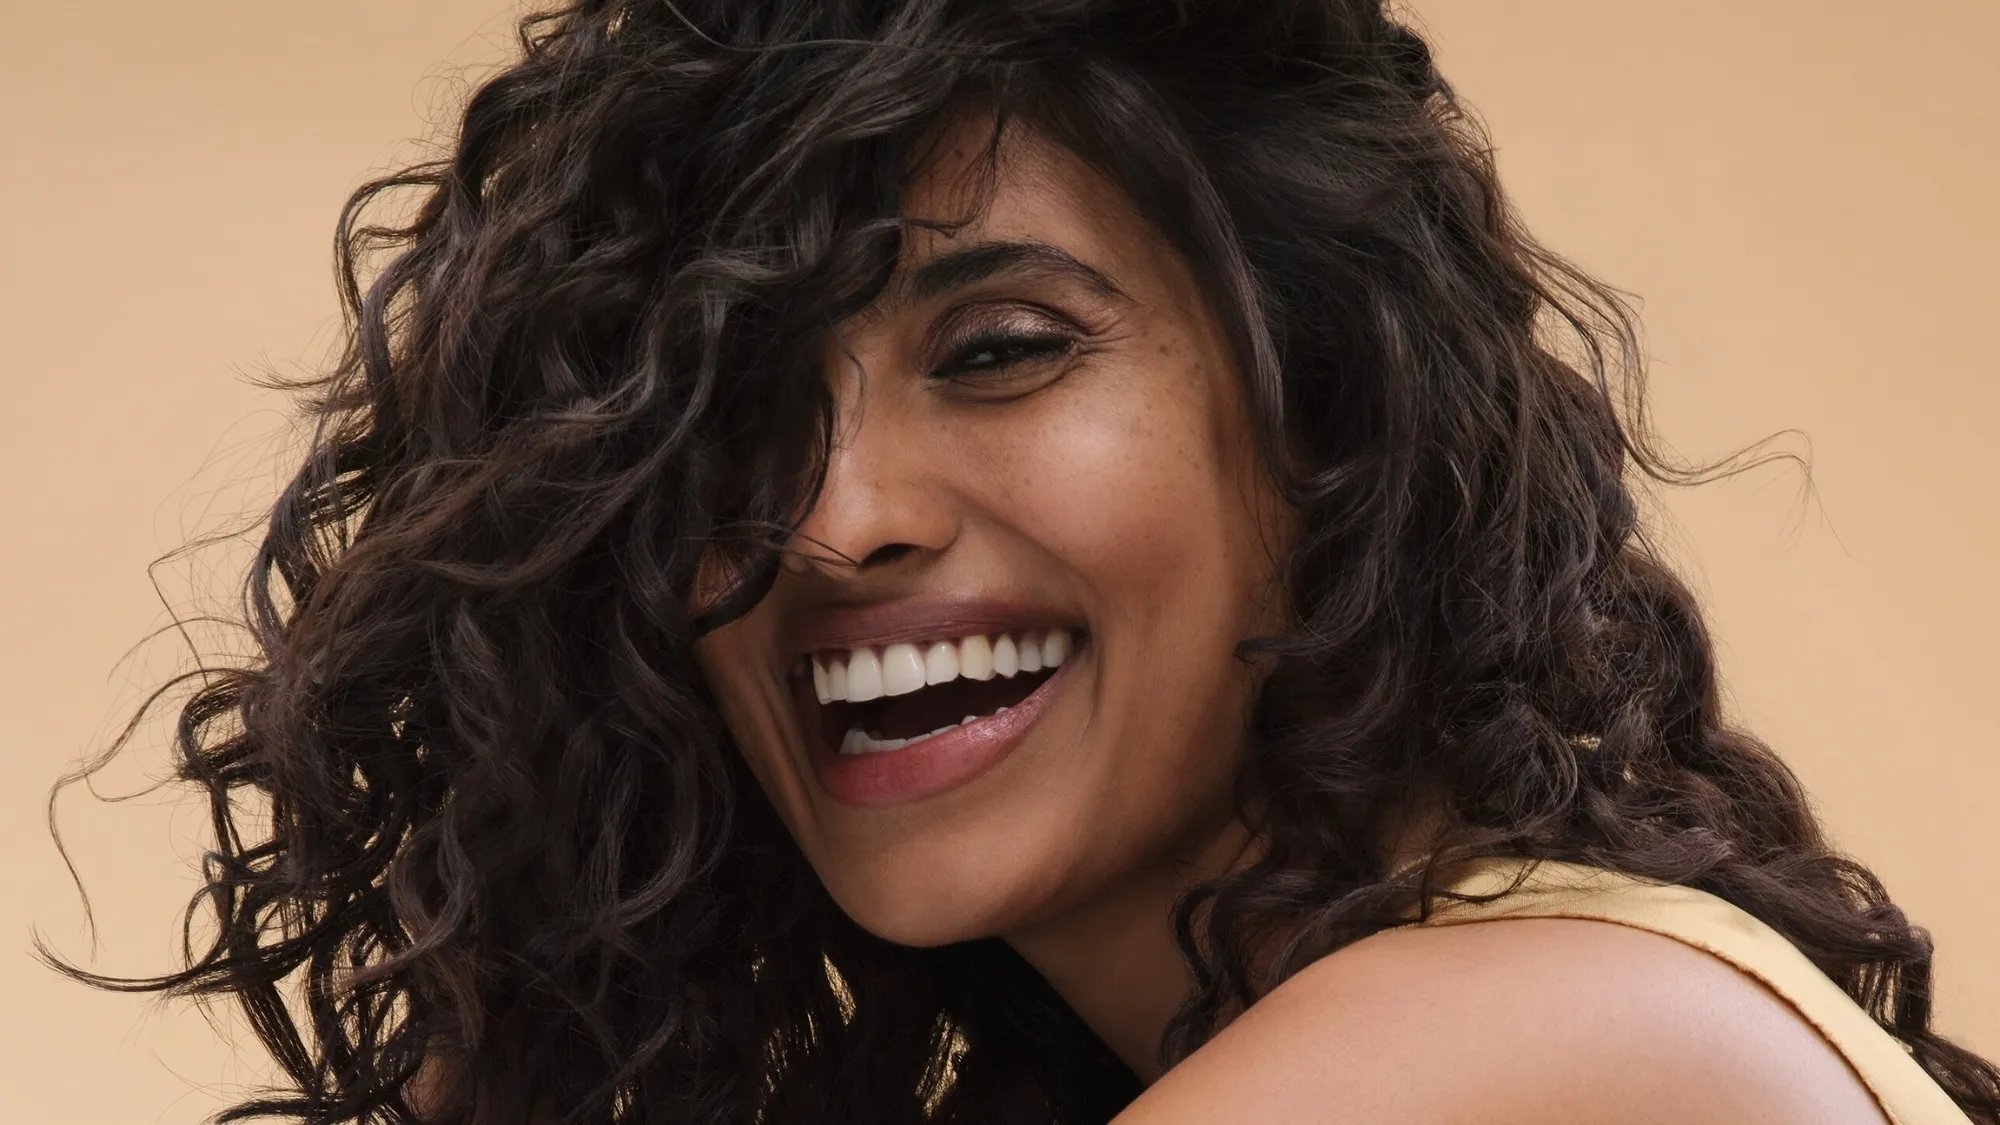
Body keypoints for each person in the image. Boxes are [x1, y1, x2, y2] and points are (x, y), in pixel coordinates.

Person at [57, 1, 1999, 1122]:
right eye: (723, 423)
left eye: (1001, 351)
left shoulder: (1536, 1030)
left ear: (1329, 407)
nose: (832, 517)